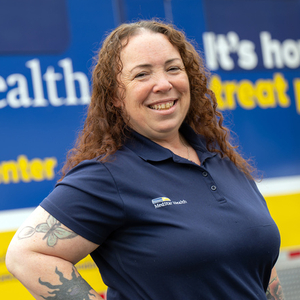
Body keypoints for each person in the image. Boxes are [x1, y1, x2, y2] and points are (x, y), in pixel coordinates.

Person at [6, 20, 284, 300]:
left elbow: (262, 265)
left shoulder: (221, 158)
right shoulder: (108, 175)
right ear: (115, 95)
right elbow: (26, 254)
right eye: (142, 74)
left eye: (173, 68)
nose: (163, 84)